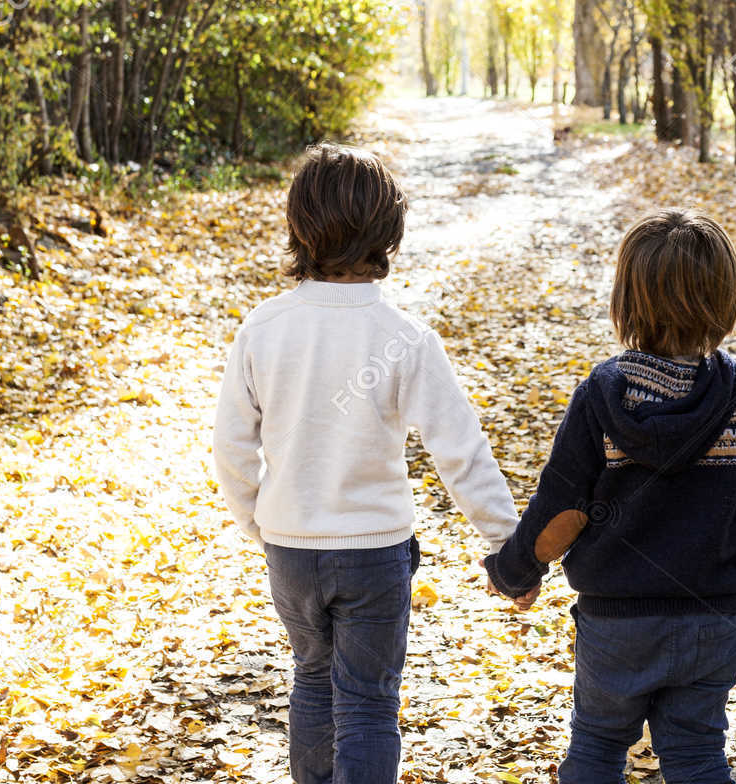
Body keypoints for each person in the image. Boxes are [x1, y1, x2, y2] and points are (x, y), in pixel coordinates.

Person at [213, 143, 520, 784]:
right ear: (389, 233)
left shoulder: (263, 328)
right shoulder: (404, 337)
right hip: (374, 553)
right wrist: (507, 543)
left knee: (312, 683)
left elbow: (233, 447)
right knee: (368, 702)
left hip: (291, 550)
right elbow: (459, 446)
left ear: (300, 228)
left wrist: (261, 523)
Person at [484, 208, 736, 784]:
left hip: (615, 627)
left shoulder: (600, 401)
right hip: (710, 622)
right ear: (723, 299)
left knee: (598, 747)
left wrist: (515, 571)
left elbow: (564, 511)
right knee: (699, 756)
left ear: (627, 300)